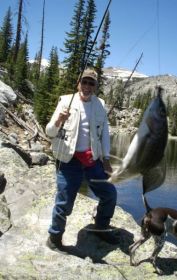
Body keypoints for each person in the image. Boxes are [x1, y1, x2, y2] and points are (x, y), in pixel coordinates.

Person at [45, 68, 118, 251]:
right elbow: (49, 132)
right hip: (68, 161)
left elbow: (105, 136)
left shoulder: (100, 105)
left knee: (109, 194)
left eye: (91, 83)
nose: (87, 86)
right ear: (78, 83)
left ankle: (100, 227)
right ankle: (54, 237)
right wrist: (58, 121)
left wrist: (106, 158)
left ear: (95, 86)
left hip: (92, 161)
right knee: (64, 202)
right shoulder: (65, 101)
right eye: (84, 82)